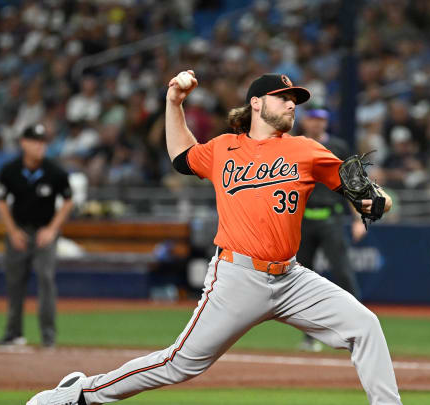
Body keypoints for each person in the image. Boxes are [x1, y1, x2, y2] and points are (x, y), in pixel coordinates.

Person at [26, 72, 402, 405]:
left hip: (292, 278)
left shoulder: (307, 149)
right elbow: (181, 156)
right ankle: (82, 394)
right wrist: (174, 102)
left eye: (295, 100)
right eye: (283, 97)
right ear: (256, 103)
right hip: (238, 278)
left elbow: (367, 193)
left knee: (365, 326)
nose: (291, 104)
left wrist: (378, 202)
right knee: (178, 364)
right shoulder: (224, 147)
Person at [0, 124, 73, 348]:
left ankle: (48, 337)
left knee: (46, 279)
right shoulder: (10, 170)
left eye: (43, 142)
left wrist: (52, 229)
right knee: (14, 282)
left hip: (44, 232)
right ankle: (13, 333)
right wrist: (12, 231)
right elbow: (0, 200)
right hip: (18, 231)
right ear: (24, 143)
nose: (40, 146)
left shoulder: (54, 171)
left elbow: (68, 201)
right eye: (35, 141)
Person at [296, 107, 366, 352]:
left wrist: (358, 219)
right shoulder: (293, 145)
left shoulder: (338, 146)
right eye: (313, 119)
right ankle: (309, 335)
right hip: (302, 220)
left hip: (331, 218)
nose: (317, 124)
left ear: (326, 122)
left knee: (343, 273)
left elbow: (352, 184)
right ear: (305, 121)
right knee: (300, 281)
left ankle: (358, 330)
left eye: (321, 120)